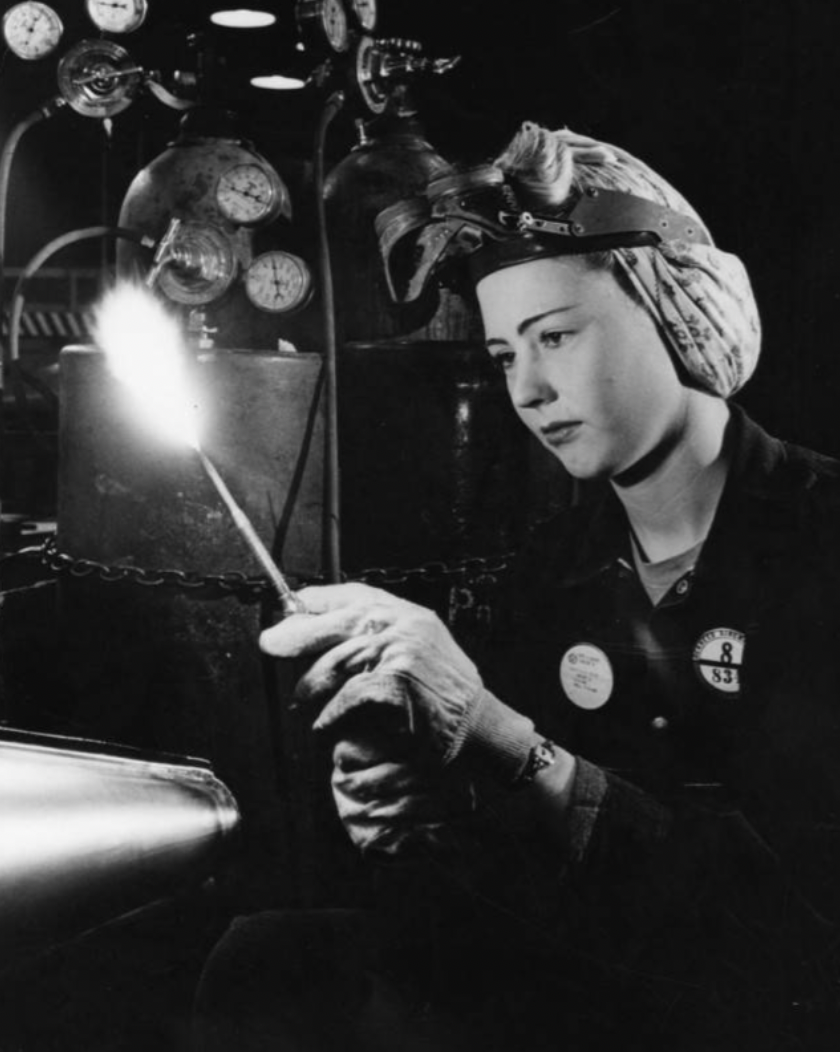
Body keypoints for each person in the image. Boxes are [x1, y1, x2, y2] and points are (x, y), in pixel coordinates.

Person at [195, 124, 840, 1051]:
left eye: (558, 337)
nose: (529, 390)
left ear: (680, 310)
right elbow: (511, 865)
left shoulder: (819, 543)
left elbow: (794, 931)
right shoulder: (551, 566)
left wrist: (503, 746)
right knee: (261, 962)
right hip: (574, 981)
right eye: (505, 356)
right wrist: (427, 797)